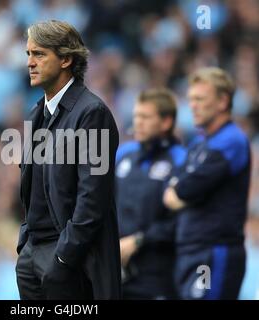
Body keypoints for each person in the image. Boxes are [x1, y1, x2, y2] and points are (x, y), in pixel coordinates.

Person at [16, 20, 121, 300]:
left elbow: (93, 198)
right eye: (28, 54)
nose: (30, 62)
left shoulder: (92, 113)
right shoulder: (35, 114)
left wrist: (63, 257)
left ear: (65, 58)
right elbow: (32, 188)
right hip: (33, 255)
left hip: (69, 259)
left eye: (39, 54)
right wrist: (25, 242)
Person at [163, 67, 251, 300]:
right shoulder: (198, 144)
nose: (192, 105)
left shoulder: (232, 140)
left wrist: (181, 192)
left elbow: (186, 188)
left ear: (223, 101)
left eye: (200, 99)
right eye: (191, 99)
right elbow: (170, 189)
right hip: (189, 250)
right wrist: (181, 193)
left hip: (214, 252)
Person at [115, 88, 186, 299]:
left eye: (145, 117)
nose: (138, 122)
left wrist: (138, 241)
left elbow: (181, 220)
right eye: (136, 116)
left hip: (158, 272)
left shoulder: (181, 160)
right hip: (115, 268)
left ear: (165, 122)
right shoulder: (124, 154)